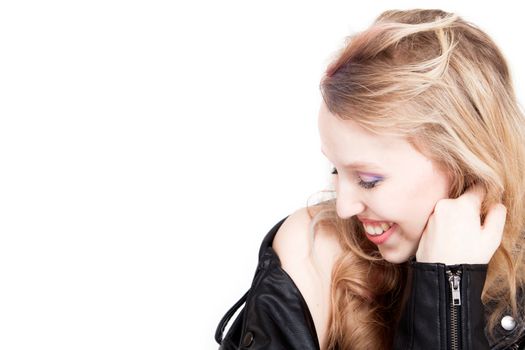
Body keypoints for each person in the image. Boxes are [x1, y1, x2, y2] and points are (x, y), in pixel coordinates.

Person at [215, 9, 525, 350]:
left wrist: (449, 284)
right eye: (336, 170)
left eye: (369, 180)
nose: (345, 207)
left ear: (463, 162)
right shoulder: (316, 250)